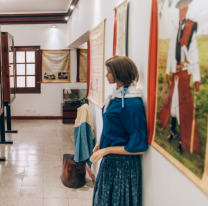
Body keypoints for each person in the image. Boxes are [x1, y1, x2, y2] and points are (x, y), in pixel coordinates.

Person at [90, 56, 148, 206]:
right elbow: (111, 125)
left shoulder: (132, 103)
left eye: (108, 72)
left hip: (123, 167)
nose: (106, 75)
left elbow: (138, 146)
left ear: (119, 73)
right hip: (110, 163)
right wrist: (100, 143)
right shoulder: (116, 97)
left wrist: (106, 150)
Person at [159, 0, 201, 155]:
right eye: (180, 9)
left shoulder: (191, 29)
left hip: (184, 74)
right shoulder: (174, 31)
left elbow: (194, 53)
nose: (182, 12)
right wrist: (167, 73)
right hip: (175, 74)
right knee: (173, 104)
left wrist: (196, 77)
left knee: (183, 106)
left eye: (184, 9)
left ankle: (184, 140)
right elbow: (171, 54)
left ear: (187, 9)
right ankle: (173, 131)